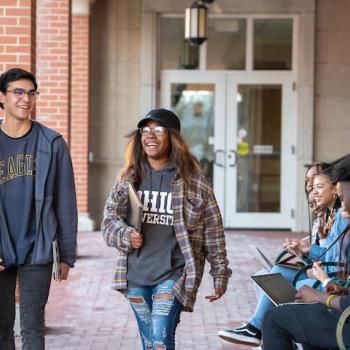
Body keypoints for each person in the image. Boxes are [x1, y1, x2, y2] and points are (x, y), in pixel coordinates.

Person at [101, 108, 232, 349]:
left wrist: (220, 274)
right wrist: (126, 235)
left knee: (160, 341)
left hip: (174, 275)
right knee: (150, 342)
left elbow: (213, 232)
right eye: (145, 130)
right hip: (135, 275)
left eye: (158, 130)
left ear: (172, 138)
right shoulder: (130, 178)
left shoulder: (194, 183)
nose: (150, 135)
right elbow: (108, 220)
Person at [218, 165, 348, 347]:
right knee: (268, 275)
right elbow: (329, 256)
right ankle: (260, 330)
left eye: (319, 186)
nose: (312, 189)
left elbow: (335, 262)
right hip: (322, 273)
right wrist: (304, 252)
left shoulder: (342, 216)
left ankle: (261, 330)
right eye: (309, 184)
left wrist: (309, 254)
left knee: (279, 282)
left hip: (329, 279)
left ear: (335, 190)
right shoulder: (329, 216)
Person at [0, 68, 78, 349]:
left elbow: (66, 202)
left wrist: (67, 254)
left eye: (31, 93)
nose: (26, 99)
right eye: (18, 92)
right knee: (1, 327)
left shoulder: (51, 143)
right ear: (2, 98)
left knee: (32, 327)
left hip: (38, 248)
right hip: (1, 247)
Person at [262, 157, 350, 350]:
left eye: (343, 198)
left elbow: (338, 266)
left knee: (274, 319)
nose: (342, 205)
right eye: (309, 184)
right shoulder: (333, 220)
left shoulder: (342, 222)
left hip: (345, 323)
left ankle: (254, 329)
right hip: (338, 300)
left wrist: (321, 293)